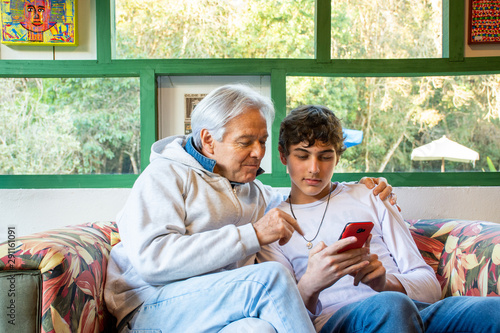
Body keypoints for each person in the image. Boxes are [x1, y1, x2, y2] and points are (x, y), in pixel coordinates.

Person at [104, 84, 395, 333]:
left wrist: (361, 188)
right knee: (269, 279)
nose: (258, 152)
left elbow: (303, 191)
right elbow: (153, 261)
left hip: (214, 308)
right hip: (150, 308)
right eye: (246, 142)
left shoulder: (253, 192)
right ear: (208, 140)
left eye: (263, 141)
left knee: (259, 329)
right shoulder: (164, 176)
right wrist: (253, 233)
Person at [257, 104, 500, 332]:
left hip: (410, 310)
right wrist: (311, 282)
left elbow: (429, 286)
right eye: (302, 156)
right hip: (338, 320)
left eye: (325, 156)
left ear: (338, 157)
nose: (314, 168)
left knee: (492, 311)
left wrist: (385, 283)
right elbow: (282, 317)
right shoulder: (274, 224)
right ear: (283, 156)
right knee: (391, 307)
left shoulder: (371, 195)